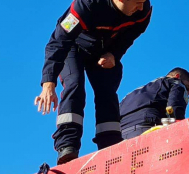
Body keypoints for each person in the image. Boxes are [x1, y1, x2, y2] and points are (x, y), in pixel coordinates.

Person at [37, 0, 153, 164]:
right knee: (74, 84)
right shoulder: (86, 5)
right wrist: (49, 82)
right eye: (137, 2)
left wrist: (114, 53)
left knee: (107, 91)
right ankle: (67, 147)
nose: (141, 7)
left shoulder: (142, 11)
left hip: (104, 50)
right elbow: (59, 41)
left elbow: (132, 33)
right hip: (73, 47)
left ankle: (110, 146)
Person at [117, 67, 189, 141]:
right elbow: (175, 108)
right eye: (187, 88)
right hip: (147, 131)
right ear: (177, 76)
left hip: (121, 137)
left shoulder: (129, 95)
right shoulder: (175, 83)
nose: (187, 93)